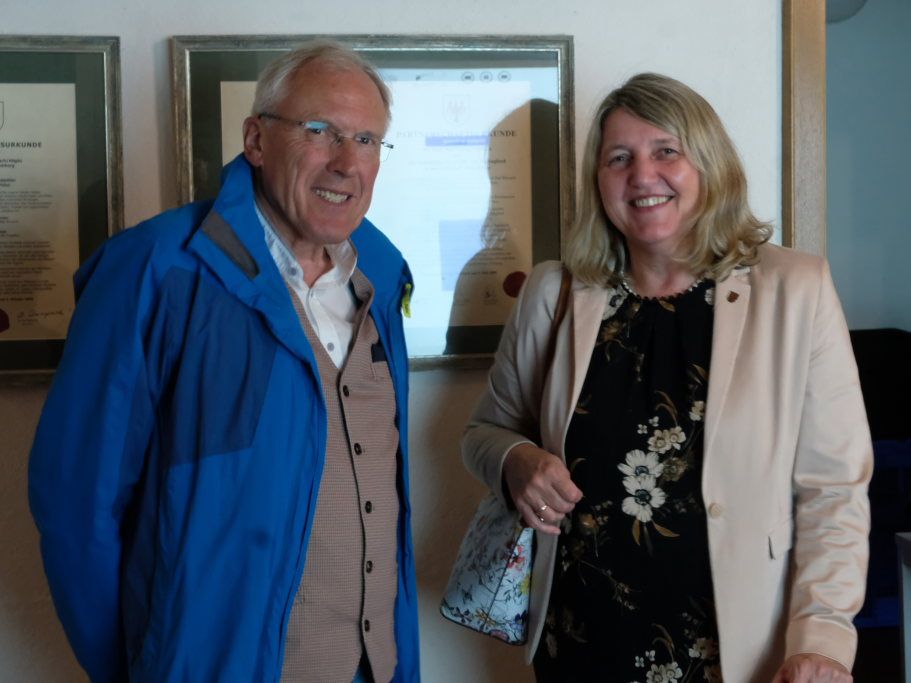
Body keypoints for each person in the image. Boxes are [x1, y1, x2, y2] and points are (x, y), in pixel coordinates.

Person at [29, 41, 419, 683]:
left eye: (367, 140)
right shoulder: (155, 268)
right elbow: (77, 504)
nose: (347, 162)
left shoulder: (381, 271)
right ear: (256, 140)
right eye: (319, 130)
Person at [462, 73, 871, 683]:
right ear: (598, 180)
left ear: (708, 164)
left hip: (738, 648)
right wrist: (514, 460)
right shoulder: (554, 292)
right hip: (582, 640)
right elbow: (483, 433)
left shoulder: (795, 289)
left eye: (666, 152)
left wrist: (824, 637)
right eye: (618, 158)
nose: (642, 175)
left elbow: (834, 489)